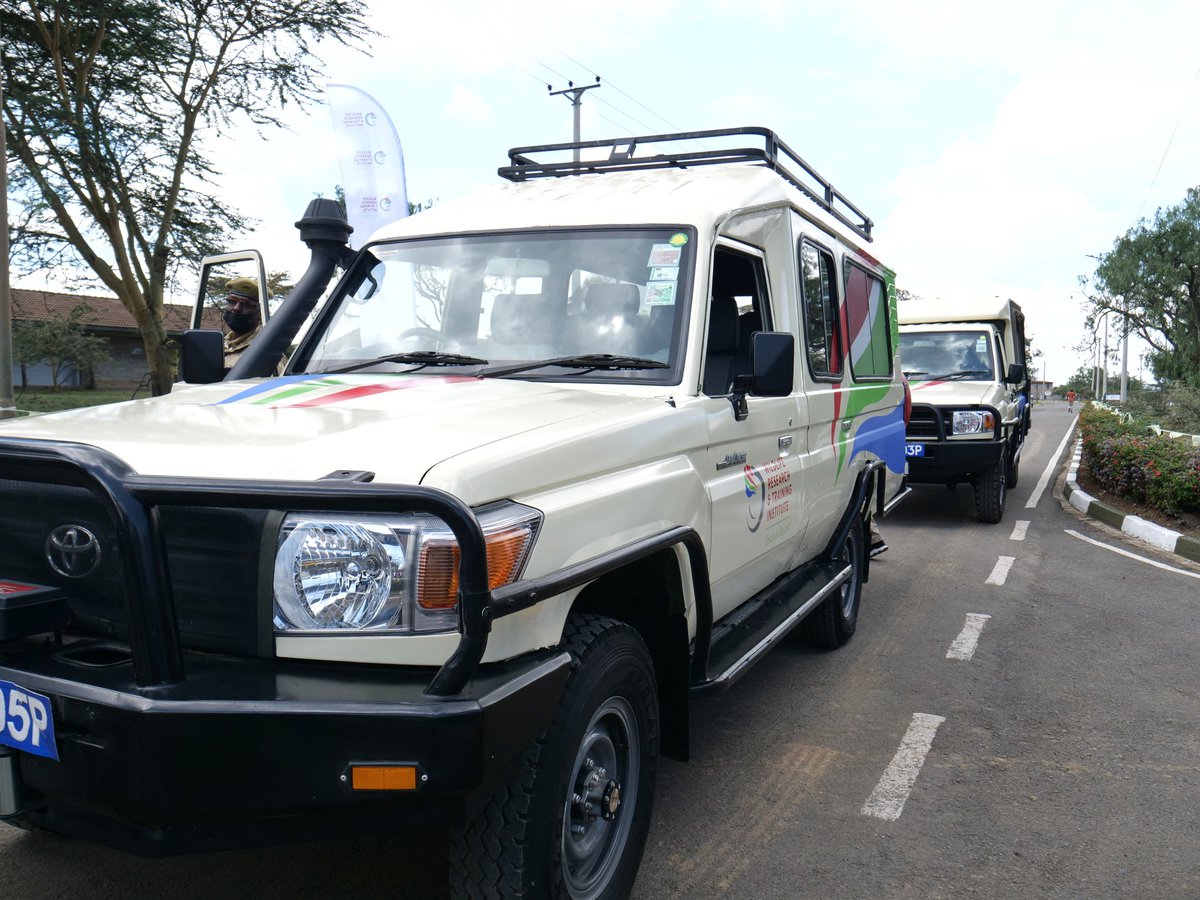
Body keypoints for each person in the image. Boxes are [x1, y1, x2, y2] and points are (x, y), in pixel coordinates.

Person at [222, 276, 263, 370]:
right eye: (232, 301)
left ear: (260, 313)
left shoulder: (265, 350)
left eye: (246, 304)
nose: (236, 308)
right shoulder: (221, 344)